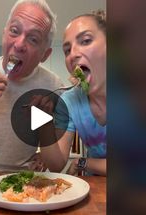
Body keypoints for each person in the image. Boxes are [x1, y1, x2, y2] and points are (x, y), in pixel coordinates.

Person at [0, 0, 63, 174]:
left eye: (33, 38)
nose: (20, 44)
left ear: (45, 54)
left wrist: (43, 123)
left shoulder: (53, 86)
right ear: (4, 34)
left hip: (24, 183)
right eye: (14, 31)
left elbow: (55, 158)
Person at [38, 10, 106, 176]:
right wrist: (41, 121)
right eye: (67, 50)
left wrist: (83, 162)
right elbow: (56, 164)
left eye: (86, 40)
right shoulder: (69, 101)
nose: (73, 54)